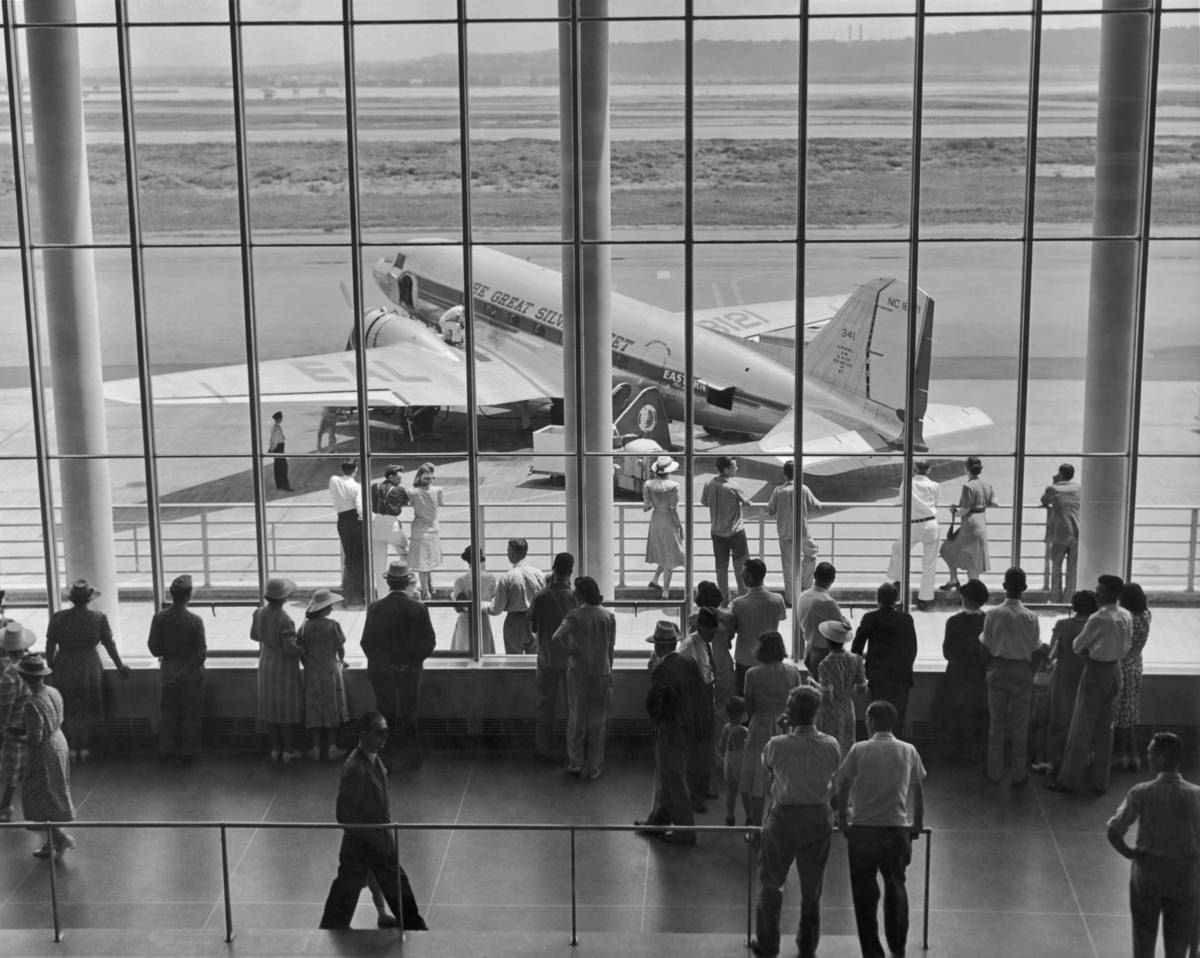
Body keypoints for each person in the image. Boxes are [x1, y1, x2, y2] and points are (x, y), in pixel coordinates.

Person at [751, 685, 842, 958]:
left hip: (784, 818)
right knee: (812, 889)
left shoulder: (776, 744)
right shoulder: (831, 744)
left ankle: (768, 944)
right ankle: (807, 947)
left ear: (790, 713)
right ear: (816, 713)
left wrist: (782, 733)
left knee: (771, 882)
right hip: (817, 817)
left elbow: (770, 771)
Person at [318, 711, 429, 931]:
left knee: (355, 889)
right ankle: (415, 928)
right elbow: (344, 814)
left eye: (386, 732)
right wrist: (374, 838)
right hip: (366, 845)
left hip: (374, 843)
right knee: (351, 890)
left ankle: (414, 925)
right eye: (379, 732)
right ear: (363, 734)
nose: (384, 737)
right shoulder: (355, 769)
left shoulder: (373, 760)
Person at [835, 700, 926, 958]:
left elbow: (843, 784)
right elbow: (918, 791)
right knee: (896, 886)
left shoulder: (859, 749)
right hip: (896, 829)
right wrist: (916, 823)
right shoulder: (909, 750)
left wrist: (843, 817)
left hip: (863, 829)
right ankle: (897, 947)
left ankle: (872, 951)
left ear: (872, 721)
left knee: (864, 894)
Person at [1106, 732, 1200, 958]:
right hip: (1184, 876)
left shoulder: (1141, 792)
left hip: (1148, 875)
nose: (1147, 756)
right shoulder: (1197, 795)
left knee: (1143, 935)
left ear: (1162, 756)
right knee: (1178, 941)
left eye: (1150, 752)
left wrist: (1131, 854)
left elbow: (1114, 830)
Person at [1048, 574, 1132, 796]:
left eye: (1101, 589)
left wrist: (1089, 651)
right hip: (1115, 670)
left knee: (1081, 727)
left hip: (1096, 670)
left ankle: (1069, 779)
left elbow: (1078, 645)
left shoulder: (1098, 618)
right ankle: (1100, 781)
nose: (1098, 592)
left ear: (1112, 593)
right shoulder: (1125, 615)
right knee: (1106, 728)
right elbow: (1127, 646)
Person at [635, 621, 707, 845]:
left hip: (671, 728)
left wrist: (658, 722)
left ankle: (685, 831)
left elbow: (655, 701)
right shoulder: (689, 663)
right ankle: (658, 820)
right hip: (690, 726)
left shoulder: (661, 670)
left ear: (657, 646)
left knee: (672, 778)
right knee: (669, 775)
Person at [360, 561, 436, 771]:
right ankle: (412, 758)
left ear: (389, 582)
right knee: (410, 714)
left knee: (385, 714)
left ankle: (385, 758)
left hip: (382, 672)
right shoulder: (418, 608)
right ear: (407, 582)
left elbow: (367, 642)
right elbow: (429, 641)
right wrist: (409, 663)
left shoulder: (375, 608)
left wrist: (386, 664)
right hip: (410, 672)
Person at [45, 578, 131, 762]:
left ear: (71, 598)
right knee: (86, 707)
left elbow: (50, 643)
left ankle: (70, 747)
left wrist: (50, 667)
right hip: (88, 664)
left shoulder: (58, 617)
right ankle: (84, 747)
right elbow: (109, 643)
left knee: (67, 705)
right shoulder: (98, 618)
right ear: (89, 599)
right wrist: (119, 665)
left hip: (64, 664)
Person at [10, 653, 76, 861]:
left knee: (40, 795)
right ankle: (50, 843)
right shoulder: (53, 692)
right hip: (59, 742)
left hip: (43, 752)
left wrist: (15, 737)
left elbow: (34, 739)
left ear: (24, 677)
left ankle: (60, 838)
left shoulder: (31, 703)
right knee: (54, 790)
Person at [980, 567, 1042, 785]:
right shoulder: (1031, 617)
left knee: (996, 724)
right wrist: (1029, 671)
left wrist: (991, 666)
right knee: (1020, 725)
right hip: (1022, 671)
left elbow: (985, 645)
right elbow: (1036, 648)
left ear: (1004, 586)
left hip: (998, 669)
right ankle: (1019, 772)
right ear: (1024, 588)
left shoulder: (993, 614)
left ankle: (994, 770)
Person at [552, 576, 616, 780]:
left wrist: (571, 652)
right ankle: (595, 765)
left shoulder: (574, 616)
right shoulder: (608, 616)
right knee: (598, 720)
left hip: (579, 672)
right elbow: (610, 648)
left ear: (579, 595)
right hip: (602, 671)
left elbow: (556, 637)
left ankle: (575, 762)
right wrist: (609, 671)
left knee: (576, 717)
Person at [741, 631, 803, 827]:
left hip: (760, 725)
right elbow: (797, 701)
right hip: (785, 725)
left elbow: (749, 704)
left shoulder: (752, 674)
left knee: (758, 780)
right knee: (785, 775)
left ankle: (756, 824)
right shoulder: (793, 671)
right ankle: (783, 821)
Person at [146, 574, 207, 765]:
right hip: (190, 673)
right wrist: (185, 671)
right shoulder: (195, 621)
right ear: (189, 595)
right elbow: (200, 653)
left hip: (168, 668)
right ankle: (189, 752)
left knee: (168, 712)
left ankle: (166, 749)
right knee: (191, 713)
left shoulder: (159, 617)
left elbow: (153, 647)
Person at [528, 552, 579, 763]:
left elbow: (533, 626)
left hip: (547, 657)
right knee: (572, 707)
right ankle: (572, 751)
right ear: (571, 571)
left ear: (553, 569)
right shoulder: (575, 598)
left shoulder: (541, 596)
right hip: (570, 660)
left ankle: (543, 748)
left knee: (544, 705)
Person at [851, 582, 919, 737]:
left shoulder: (870, 618)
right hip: (901, 676)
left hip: (878, 677)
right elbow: (912, 649)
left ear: (878, 599)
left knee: (878, 719)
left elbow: (856, 650)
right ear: (896, 600)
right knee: (898, 718)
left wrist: (865, 663)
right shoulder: (906, 619)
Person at [1043, 589, 1098, 776]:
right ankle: (1082, 757)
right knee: (1083, 718)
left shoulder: (1062, 625)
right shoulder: (1095, 626)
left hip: (1064, 676)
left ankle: (1052, 759)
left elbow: (1053, 653)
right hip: (1087, 676)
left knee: (1058, 718)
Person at [250, 577, 304, 763]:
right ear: (284, 598)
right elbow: (289, 648)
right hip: (284, 667)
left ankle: (275, 749)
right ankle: (288, 750)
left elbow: (254, 635)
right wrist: (302, 647)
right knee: (286, 710)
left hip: (266, 662)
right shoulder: (285, 619)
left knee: (270, 709)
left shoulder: (259, 613)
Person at [939, 579, 991, 756]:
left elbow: (947, 652)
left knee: (957, 716)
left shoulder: (954, 622)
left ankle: (957, 752)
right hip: (981, 677)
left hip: (958, 675)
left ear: (967, 600)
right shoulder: (988, 621)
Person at [297, 588, 349, 762]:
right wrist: (341, 660)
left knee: (314, 710)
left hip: (312, 672)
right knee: (331, 708)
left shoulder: (305, 626)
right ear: (326, 608)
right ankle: (333, 747)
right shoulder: (333, 625)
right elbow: (340, 648)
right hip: (330, 670)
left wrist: (308, 664)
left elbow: (301, 651)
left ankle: (316, 748)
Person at [679, 606, 719, 810]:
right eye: (710, 631)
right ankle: (694, 796)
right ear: (701, 627)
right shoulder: (688, 647)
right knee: (696, 752)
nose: (713, 634)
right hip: (694, 705)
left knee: (704, 751)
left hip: (705, 702)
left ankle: (701, 789)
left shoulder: (704, 643)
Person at [767, 460, 823, 604]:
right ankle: (804, 584)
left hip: (784, 532)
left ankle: (791, 598)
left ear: (784, 474)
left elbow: (771, 510)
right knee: (812, 552)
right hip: (801, 532)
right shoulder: (803, 488)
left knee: (788, 565)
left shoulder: (778, 491)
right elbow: (817, 506)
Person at [887, 459, 939, 610]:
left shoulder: (908, 483)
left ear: (915, 469)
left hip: (914, 524)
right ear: (929, 470)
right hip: (931, 524)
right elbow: (936, 503)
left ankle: (898, 581)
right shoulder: (935, 486)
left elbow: (902, 500)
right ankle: (925, 598)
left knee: (898, 549)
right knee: (929, 562)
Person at [701, 455, 755, 603]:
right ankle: (743, 597)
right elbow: (746, 503)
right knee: (741, 566)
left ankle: (724, 599)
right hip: (735, 532)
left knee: (721, 567)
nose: (737, 468)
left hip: (717, 532)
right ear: (726, 469)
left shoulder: (708, 484)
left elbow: (704, 502)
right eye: (734, 466)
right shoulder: (734, 487)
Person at [730, 558, 787, 695]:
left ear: (749, 577)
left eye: (743, 573)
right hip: (771, 656)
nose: (741, 576)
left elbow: (734, 628)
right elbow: (782, 617)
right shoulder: (777, 599)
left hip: (745, 658)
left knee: (744, 698)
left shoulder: (739, 603)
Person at [0, 620, 36, 822]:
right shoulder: (30, 666)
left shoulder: (8, 675)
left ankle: (5, 804)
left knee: (11, 765)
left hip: (13, 724)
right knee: (25, 764)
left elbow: (5, 707)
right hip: (29, 721)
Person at [1114, 582, 1152, 772]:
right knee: (1129, 711)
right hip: (1137, 664)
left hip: (1123, 665)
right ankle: (1133, 756)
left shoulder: (1125, 618)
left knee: (1120, 713)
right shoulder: (1146, 616)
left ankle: (1125, 754)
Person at [943, 456, 997, 586]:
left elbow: (966, 508)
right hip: (981, 523)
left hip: (969, 524)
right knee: (974, 558)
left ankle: (954, 579)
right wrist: (981, 505)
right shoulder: (987, 485)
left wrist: (955, 513)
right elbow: (995, 503)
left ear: (967, 469)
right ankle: (972, 587)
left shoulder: (968, 486)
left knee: (946, 549)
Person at [816, 620, 867, 758]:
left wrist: (817, 690)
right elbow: (862, 688)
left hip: (830, 711)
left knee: (829, 747)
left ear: (827, 640)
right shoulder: (856, 659)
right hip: (848, 707)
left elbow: (828, 697)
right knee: (847, 745)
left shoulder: (825, 664)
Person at [489, 537, 546, 654]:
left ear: (513, 553)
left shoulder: (508, 577)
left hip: (514, 622)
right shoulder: (540, 575)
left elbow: (496, 609)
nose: (507, 554)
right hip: (535, 621)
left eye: (508, 551)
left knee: (513, 662)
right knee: (534, 661)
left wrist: (483, 606)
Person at [643, 455, 685, 597]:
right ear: (669, 471)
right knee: (671, 555)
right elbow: (673, 510)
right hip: (668, 520)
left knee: (664, 552)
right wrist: (680, 525)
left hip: (656, 520)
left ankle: (655, 580)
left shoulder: (648, 484)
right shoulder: (674, 486)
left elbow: (646, 507)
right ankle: (666, 591)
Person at [796, 562, 845, 676]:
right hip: (823, 651)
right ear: (832, 580)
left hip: (809, 648)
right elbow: (842, 628)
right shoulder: (828, 602)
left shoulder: (803, 596)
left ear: (814, 575)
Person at [1040, 463, 1081, 602]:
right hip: (1077, 533)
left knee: (1056, 568)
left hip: (1060, 533)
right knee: (1073, 569)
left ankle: (1056, 598)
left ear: (1061, 474)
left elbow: (1044, 500)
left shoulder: (1053, 488)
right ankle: (1069, 599)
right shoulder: (1079, 488)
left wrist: (1054, 482)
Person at [369, 465, 410, 600]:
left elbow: (372, 502)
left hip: (376, 525)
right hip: (391, 525)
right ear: (391, 477)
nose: (400, 480)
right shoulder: (399, 490)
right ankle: (406, 589)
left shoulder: (374, 486)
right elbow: (404, 503)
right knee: (405, 554)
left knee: (379, 564)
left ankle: (382, 596)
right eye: (399, 477)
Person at [329, 459, 365, 607]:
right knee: (358, 559)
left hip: (342, 521)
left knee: (349, 558)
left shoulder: (334, 480)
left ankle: (349, 593)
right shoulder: (357, 487)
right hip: (355, 522)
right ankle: (357, 594)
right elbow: (360, 509)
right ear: (355, 470)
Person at [449, 546, 499, 654]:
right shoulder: (490, 578)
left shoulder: (460, 580)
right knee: (484, 649)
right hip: (482, 617)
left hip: (465, 619)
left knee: (463, 649)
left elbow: (456, 605)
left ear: (467, 561)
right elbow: (493, 598)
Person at [407, 462, 445, 601]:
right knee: (427, 562)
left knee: (422, 563)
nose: (429, 482)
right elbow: (442, 503)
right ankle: (429, 587)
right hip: (433, 529)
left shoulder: (412, 492)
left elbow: (408, 502)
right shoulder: (438, 490)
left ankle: (425, 591)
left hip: (419, 530)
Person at [718, 696, 750, 827]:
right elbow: (751, 745)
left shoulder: (726, 727)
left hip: (728, 761)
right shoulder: (743, 730)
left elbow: (721, 745)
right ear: (741, 714)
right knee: (745, 792)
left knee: (731, 792)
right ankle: (750, 817)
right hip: (740, 762)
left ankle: (730, 817)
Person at [268, 410, 291, 491]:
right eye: (281, 418)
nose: (282, 419)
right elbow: (274, 440)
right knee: (283, 467)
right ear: (278, 419)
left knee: (278, 466)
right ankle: (285, 485)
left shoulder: (275, 427)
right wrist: (271, 449)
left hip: (278, 447)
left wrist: (271, 448)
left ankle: (280, 485)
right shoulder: (276, 428)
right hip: (278, 448)